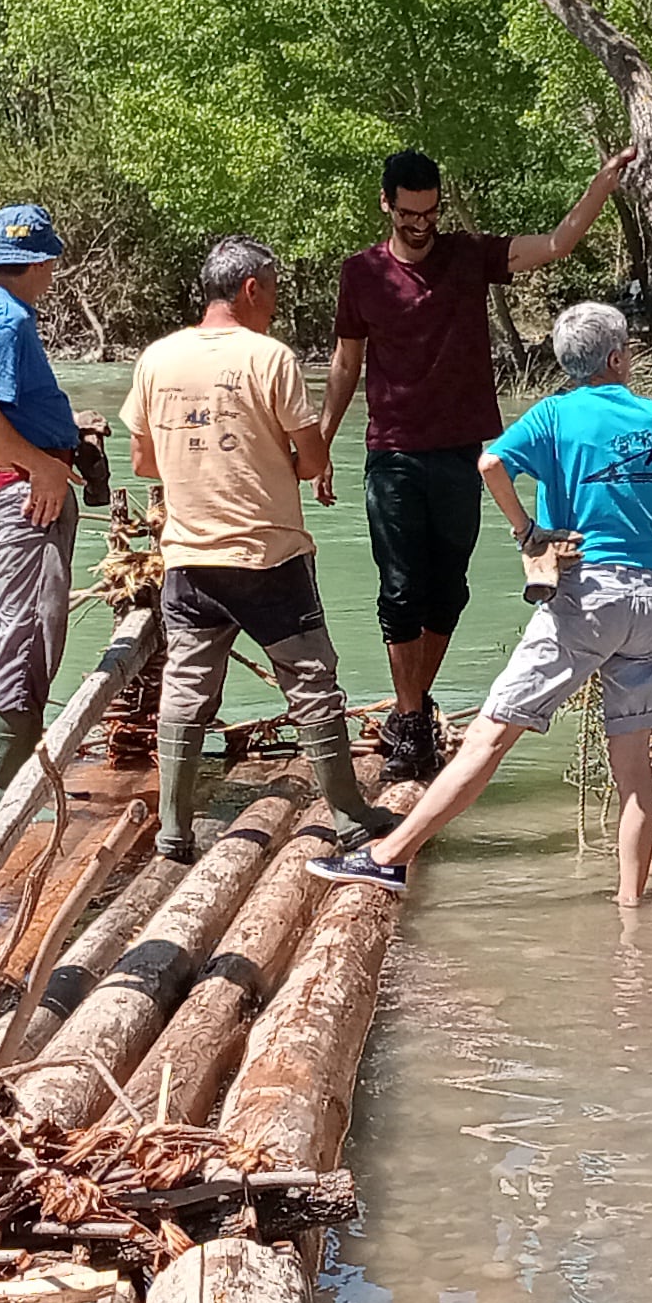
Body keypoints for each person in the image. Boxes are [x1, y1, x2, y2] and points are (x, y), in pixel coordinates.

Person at [312, 314, 652, 907]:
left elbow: (490, 464)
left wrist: (528, 532)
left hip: (586, 598)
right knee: (633, 764)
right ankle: (630, 910)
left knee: (489, 734)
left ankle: (387, 857)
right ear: (616, 359)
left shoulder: (552, 415)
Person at [323, 144, 637, 785]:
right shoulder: (361, 274)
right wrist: (322, 442)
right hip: (393, 450)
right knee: (400, 589)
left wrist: (602, 185)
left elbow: (555, 244)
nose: (422, 223)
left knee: (450, 591)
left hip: (466, 451)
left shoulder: (467, 256)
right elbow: (346, 363)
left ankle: (413, 708)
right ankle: (411, 719)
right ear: (387, 204)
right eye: (410, 213)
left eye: (431, 212)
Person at [135, 236, 388, 864]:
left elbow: (144, 462)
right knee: (311, 684)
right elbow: (310, 462)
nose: (274, 304)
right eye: (272, 291)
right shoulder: (270, 358)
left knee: (187, 689)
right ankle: (350, 816)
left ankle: (174, 830)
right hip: (266, 555)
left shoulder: (157, 359)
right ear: (251, 288)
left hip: (188, 558)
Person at [0, 203, 104, 820]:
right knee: (28, 635)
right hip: (22, 493)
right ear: (40, 262)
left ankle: (11, 782)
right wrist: (44, 465)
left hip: (11, 484)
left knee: (28, 630)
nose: (53, 274)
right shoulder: (4, 318)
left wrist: (64, 429)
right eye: (50, 263)